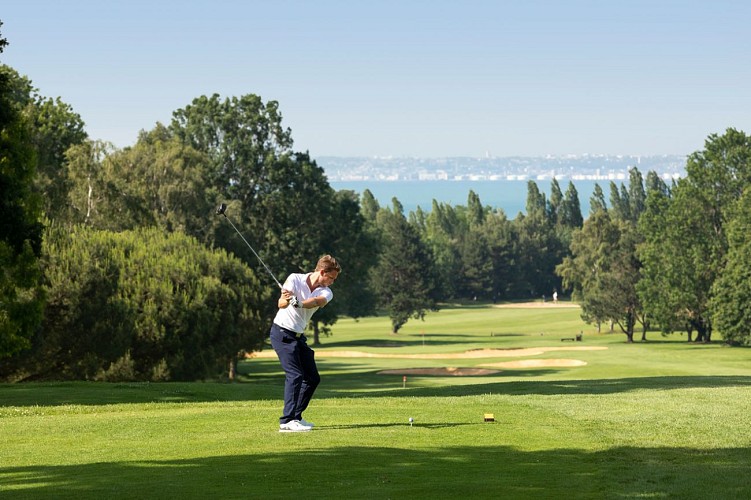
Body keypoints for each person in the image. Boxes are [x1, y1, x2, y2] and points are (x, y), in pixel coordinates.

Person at [269, 254, 341, 432]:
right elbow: (281, 304)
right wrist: (287, 299)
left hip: (298, 336)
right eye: (331, 277)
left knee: (312, 377)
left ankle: (296, 416)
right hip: (282, 333)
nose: (332, 282)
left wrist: (299, 302)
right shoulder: (294, 279)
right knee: (295, 375)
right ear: (322, 271)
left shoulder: (326, 291)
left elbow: (316, 302)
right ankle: (286, 421)